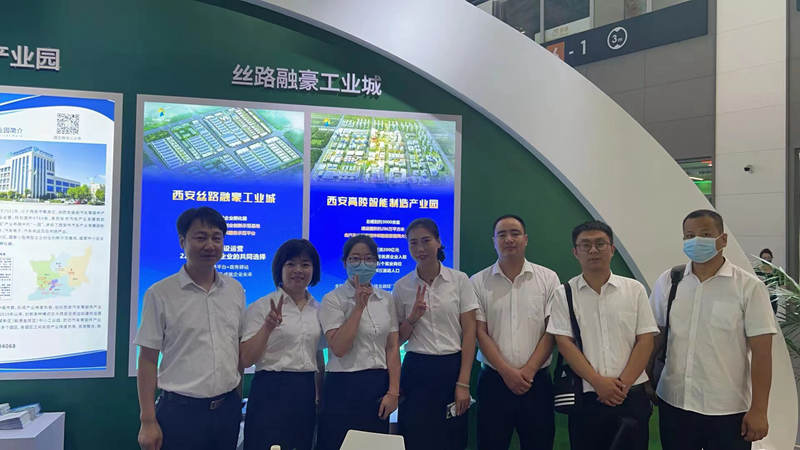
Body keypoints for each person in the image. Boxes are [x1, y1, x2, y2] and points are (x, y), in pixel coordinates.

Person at [650, 209, 777, 450]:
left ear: (723, 239)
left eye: (706, 234)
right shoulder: (670, 280)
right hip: (675, 402)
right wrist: (646, 380)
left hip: (727, 410)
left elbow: (762, 354)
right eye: (689, 236)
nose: (696, 241)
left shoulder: (749, 287)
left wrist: (759, 410)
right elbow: (655, 335)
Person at [135, 207, 245, 450]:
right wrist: (148, 420)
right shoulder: (160, 293)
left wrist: (235, 399)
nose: (210, 245)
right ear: (182, 241)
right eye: (201, 237)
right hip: (180, 414)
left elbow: (236, 349)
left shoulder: (235, 290)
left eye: (216, 237)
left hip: (226, 410)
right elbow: (148, 359)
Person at [547, 220, 658, 450]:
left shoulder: (634, 289)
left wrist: (622, 386)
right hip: (587, 397)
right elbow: (565, 343)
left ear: (612, 249)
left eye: (600, 244)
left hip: (632, 395)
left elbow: (645, 340)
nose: (593, 250)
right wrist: (598, 383)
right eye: (585, 245)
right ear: (575, 252)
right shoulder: (563, 293)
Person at [470, 214, 559, 450]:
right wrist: (507, 372)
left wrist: (528, 371)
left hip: (537, 382)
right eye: (502, 234)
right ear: (494, 241)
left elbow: (552, 330)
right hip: (493, 382)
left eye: (515, 233)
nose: (509, 239)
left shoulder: (548, 278)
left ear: (525, 239)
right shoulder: (477, 282)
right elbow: (480, 333)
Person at [393, 218, 478, 450]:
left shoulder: (459, 280)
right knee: (416, 438)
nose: (420, 248)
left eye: (426, 241)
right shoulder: (401, 287)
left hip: (452, 368)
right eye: (413, 243)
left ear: (439, 242)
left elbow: (470, 332)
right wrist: (413, 317)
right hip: (416, 370)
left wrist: (463, 382)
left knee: (452, 438)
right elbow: (397, 340)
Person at [316, 234, 401, 450]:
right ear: (344, 262)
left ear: (376, 263)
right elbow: (339, 348)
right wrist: (358, 308)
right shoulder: (332, 299)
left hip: (377, 386)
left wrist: (393, 392)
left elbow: (392, 347)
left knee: (374, 446)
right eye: (355, 258)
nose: (362, 264)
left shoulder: (386, 299)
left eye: (369, 258)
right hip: (342, 387)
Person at [240, 239, 324, 450]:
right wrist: (268, 327)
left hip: (305, 391)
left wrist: (319, 395)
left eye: (305, 264)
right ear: (280, 268)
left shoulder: (318, 309)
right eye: (291, 264)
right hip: (270, 390)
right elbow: (246, 359)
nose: (298, 270)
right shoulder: (261, 307)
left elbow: (317, 355)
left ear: (314, 269)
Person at [754, 248, 782, 313]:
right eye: (764, 258)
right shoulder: (755, 271)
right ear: (760, 259)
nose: (766, 260)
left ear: (772, 258)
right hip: (759, 299)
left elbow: (782, 287)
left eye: (768, 258)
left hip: (772, 300)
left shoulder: (777, 272)